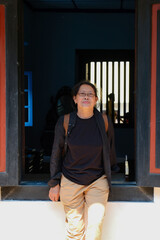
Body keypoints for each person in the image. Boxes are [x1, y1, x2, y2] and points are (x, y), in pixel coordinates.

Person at [48, 81, 111, 240]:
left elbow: (110, 149)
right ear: (75, 99)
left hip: (97, 180)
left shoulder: (104, 121)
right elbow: (56, 152)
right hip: (70, 180)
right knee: (74, 231)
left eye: (90, 94)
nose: (86, 97)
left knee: (95, 228)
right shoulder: (65, 121)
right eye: (82, 94)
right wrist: (55, 183)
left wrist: (114, 174)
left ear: (96, 99)